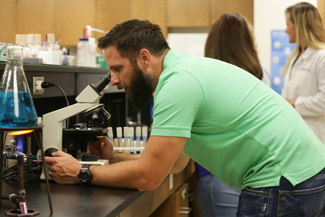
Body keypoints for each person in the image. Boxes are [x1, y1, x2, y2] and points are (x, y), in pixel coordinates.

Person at [45, 19, 325, 216]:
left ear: (144, 57)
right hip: (308, 174)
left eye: (118, 68)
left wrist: (80, 172)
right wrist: (114, 157)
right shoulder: (185, 72)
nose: (114, 80)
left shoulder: (177, 84)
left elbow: (148, 177)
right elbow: (175, 163)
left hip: (283, 181)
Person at [194, 12, 271, 217]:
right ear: (246, 42)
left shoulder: (203, 76)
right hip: (258, 173)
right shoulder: (261, 74)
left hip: (217, 173)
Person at [282, 2, 325, 144]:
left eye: (288, 24)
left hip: (314, 134)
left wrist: (293, 103)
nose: (286, 30)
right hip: (294, 132)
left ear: (300, 26)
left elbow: (323, 101)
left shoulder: (321, 57)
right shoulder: (294, 57)